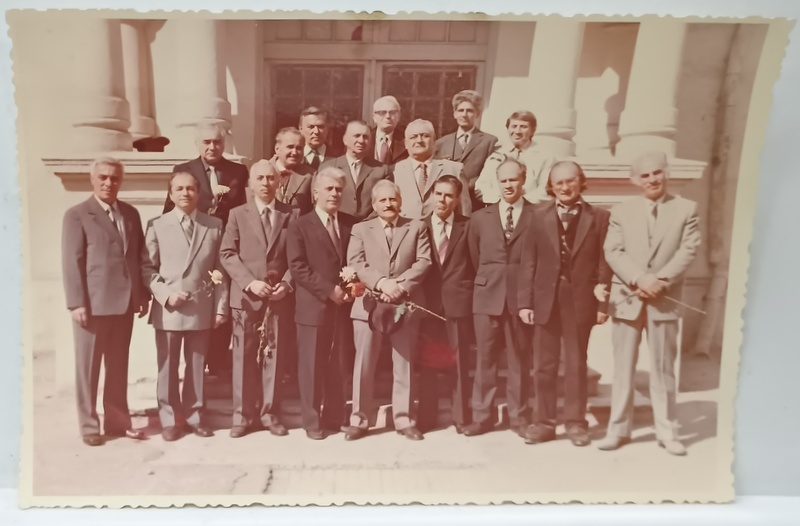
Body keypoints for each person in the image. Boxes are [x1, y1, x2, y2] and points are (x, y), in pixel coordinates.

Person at [598, 151, 701, 456]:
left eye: (657, 173)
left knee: (663, 368)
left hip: (664, 299)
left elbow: (688, 249)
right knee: (623, 368)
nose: (652, 179)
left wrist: (661, 280)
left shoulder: (686, 209)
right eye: (644, 175)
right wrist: (640, 279)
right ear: (634, 180)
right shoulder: (621, 211)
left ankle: (668, 431)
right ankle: (618, 429)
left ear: (666, 173)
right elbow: (613, 251)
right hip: (629, 297)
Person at [517, 161, 612, 447]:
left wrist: (602, 305)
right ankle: (544, 422)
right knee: (543, 365)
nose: (565, 187)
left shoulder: (599, 218)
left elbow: (604, 264)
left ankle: (575, 423)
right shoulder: (536, 215)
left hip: (581, 300)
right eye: (558, 183)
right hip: (545, 299)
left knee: (575, 363)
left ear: (580, 182)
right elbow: (528, 262)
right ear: (551, 186)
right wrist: (525, 302)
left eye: (570, 181)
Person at [62, 157, 150, 446]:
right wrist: (76, 303)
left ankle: (116, 422)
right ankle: (89, 426)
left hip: (124, 305)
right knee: (88, 368)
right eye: (103, 177)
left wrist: (141, 296)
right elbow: (71, 262)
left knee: (118, 366)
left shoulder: (130, 213)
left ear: (120, 181)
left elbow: (138, 258)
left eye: (114, 178)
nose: (108, 183)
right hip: (92, 306)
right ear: (93, 179)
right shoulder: (77, 215)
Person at [143, 172, 229, 441]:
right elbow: (147, 269)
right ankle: (169, 419)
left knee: (196, 364)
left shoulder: (213, 225)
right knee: (167, 365)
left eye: (191, 189)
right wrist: (166, 295)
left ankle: (193, 416)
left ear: (199, 193)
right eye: (179, 189)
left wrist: (220, 307)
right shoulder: (157, 225)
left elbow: (221, 269)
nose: (185, 193)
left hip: (201, 307)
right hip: (169, 308)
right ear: (170, 194)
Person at [343, 180, 432, 441]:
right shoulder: (361, 229)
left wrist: (400, 286)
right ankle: (359, 419)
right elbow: (356, 262)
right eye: (382, 200)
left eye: (393, 199)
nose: (388, 204)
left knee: (403, 363)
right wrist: (382, 283)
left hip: (404, 303)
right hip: (369, 304)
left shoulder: (416, 227)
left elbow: (424, 261)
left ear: (400, 201)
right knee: (364, 364)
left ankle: (404, 419)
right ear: (374, 204)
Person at [220, 160, 300, 438]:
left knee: (274, 357)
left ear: (278, 182)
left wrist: (287, 285)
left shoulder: (292, 214)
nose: (266, 183)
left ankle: (269, 413)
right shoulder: (236, 214)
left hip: (278, 298)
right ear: (250, 184)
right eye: (260, 178)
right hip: (245, 298)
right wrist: (250, 282)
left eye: (271, 178)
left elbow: (298, 257)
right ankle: (242, 416)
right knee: (242, 358)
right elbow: (227, 253)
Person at [162, 122, 247, 377]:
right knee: (199, 300)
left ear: (224, 143)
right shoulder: (183, 170)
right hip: (194, 247)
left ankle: (218, 362)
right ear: (198, 144)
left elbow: (242, 210)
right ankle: (196, 364)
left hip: (225, 247)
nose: (212, 146)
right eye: (207, 142)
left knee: (222, 302)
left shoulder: (238, 171)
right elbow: (169, 209)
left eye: (217, 142)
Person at [465, 158, 535, 440]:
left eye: (513, 179)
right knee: (485, 360)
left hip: (521, 299)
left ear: (523, 180)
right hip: (487, 297)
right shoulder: (481, 218)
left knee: (519, 360)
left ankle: (519, 417)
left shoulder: (537, 215)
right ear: (497, 182)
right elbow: (473, 257)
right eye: (503, 180)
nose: (508, 185)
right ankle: (482, 416)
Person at [286, 167, 357, 440]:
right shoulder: (300, 225)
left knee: (339, 363)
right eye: (329, 189)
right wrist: (329, 291)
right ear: (316, 192)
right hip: (313, 306)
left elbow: (355, 261)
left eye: (339, 189)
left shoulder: (351, 224)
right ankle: (311, 420)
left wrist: (350, 290)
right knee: (311, 365)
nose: (335, 194)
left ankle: (335, 417)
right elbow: (298, 267)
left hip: (344, 307)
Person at [417, 175, 475, 434]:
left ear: (457, 199)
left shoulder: (468, 226)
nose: (443, 200)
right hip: (428, 306)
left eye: (449, 195)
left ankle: (461, 417)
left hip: (458, 304)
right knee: (427, 363)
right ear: (431, 196)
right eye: (438, 194)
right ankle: (427, 417)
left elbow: (475, 265)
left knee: (459, 362)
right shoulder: (419, 227)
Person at [391, 119, 471, 219]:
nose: (419, 140)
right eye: (413, 137)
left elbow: (464, 210)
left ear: (434, 140)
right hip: (405, 232)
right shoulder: (395, 170)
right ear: (406, 143)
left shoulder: (454, 169)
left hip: (442, 231)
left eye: (425, 136)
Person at [433, 90, 498, 211]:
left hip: (475, 203)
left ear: (477, 114)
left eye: (470, 111)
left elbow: (490, 173)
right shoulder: (441, 143)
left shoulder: (489, 141)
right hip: (446, 205)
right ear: (454, 113)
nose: (464, 114)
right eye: (461, 110)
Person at [474, 110, 555, 205]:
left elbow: (546, 190)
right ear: (508, 128)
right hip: (498, 209)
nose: (517, 131)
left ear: (533, 130)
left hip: (530, 210)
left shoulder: (544, 157)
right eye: (514, 126)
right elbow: (481, 188)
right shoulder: (496, 156)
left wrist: (519, 201)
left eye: (523, 127)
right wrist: (502, 201)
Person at [319, 120, 392, 220]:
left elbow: (385, 202)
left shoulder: (381, 170)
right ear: (345, 140)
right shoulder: (328, 168)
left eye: (365, 137)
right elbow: (319, 201)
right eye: (356, 136)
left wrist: (365, 225)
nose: (361, 141)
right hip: (336, 226)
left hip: (368, 228)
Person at [272, 127, 315, 215]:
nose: (294, 152)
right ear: (277, 149)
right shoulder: (261, 171)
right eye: (290, 147)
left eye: (299, 148)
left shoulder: (310, 175)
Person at [298, 107, 340, 171]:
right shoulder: (294, 157)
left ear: (327, 129)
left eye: (321, 127)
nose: (316, 131)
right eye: (311, 127)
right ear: (301, 129)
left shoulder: (338, 158)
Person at [370, 95, 408, 166]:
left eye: (392, 112)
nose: (388, 116)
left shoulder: (406, 139)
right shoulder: (365, 139)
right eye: (382, 112)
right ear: (374, 117)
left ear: (399, 116)